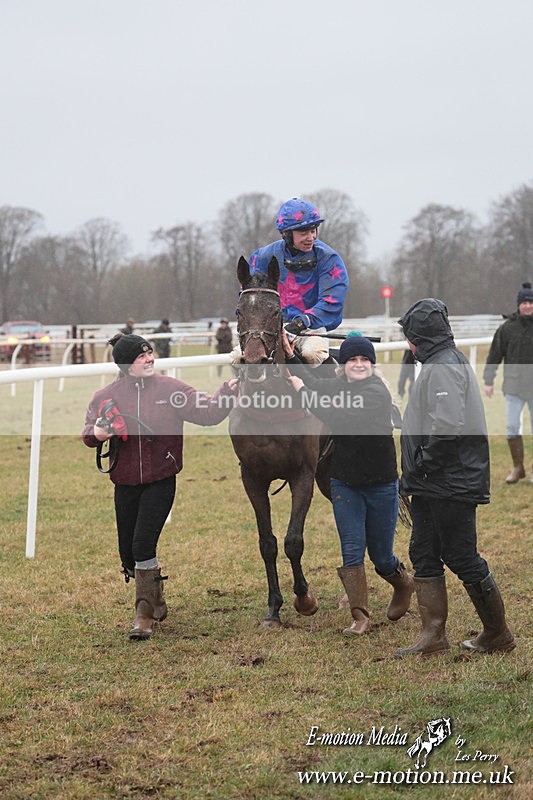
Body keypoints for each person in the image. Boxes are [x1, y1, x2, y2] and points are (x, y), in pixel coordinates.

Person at [82, 333, 238, 641]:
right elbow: (89, 433)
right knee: (127, 555)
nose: (149, 359)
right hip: (124, 483)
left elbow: (207, 414)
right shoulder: (105, 396)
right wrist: (99, 432)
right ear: (126, 364)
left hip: (161, 480)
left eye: (150, 353)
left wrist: (227, 392)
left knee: (142, 545)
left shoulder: (172, 389)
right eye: (141, 356)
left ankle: (143, 614)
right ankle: (156, 597)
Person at [396, 298, 515, 656]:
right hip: (436, 482)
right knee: (423, 552)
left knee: (461, 556)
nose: (407, 344)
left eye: (409, 335)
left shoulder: (443, 366)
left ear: (422, 335)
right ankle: (433, 637)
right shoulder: (439, 362)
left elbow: (447, 428)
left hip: (450, 481)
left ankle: (498, 634)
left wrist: (419, 468)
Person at [285, 331, 414, 637]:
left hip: (381, 485)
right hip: (345, 484)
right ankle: (360, 617)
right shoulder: (341, 383)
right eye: (352, 359)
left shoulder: (376, 393)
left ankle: (404, 583)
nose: (358, 364)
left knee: (381, 557)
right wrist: (289, 352)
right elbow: (315, 381)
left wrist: (302, 391)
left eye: (364, 359)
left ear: (371, 364)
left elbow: (335, 414)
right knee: (352, 551)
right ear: (342, 366)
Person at [246, 197, 349, 365]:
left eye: (313, 230)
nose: (311, 237)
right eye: (303, 233)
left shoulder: (328, 259)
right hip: (271, 328)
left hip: (311, 328)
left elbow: (332, 301)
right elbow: (250, 298)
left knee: (313, 354)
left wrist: (301, 323)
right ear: (286, 234)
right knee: (238, 358)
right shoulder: (263, 257)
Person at [483, 281, 533, 484]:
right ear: (518, 304)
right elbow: (495, 355)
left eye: (531, 302)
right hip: (513, 388)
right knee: (512, 427)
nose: (528, 305)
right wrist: (488, 380)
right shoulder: (507, 329)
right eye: (525, 302)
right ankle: (518, 468)